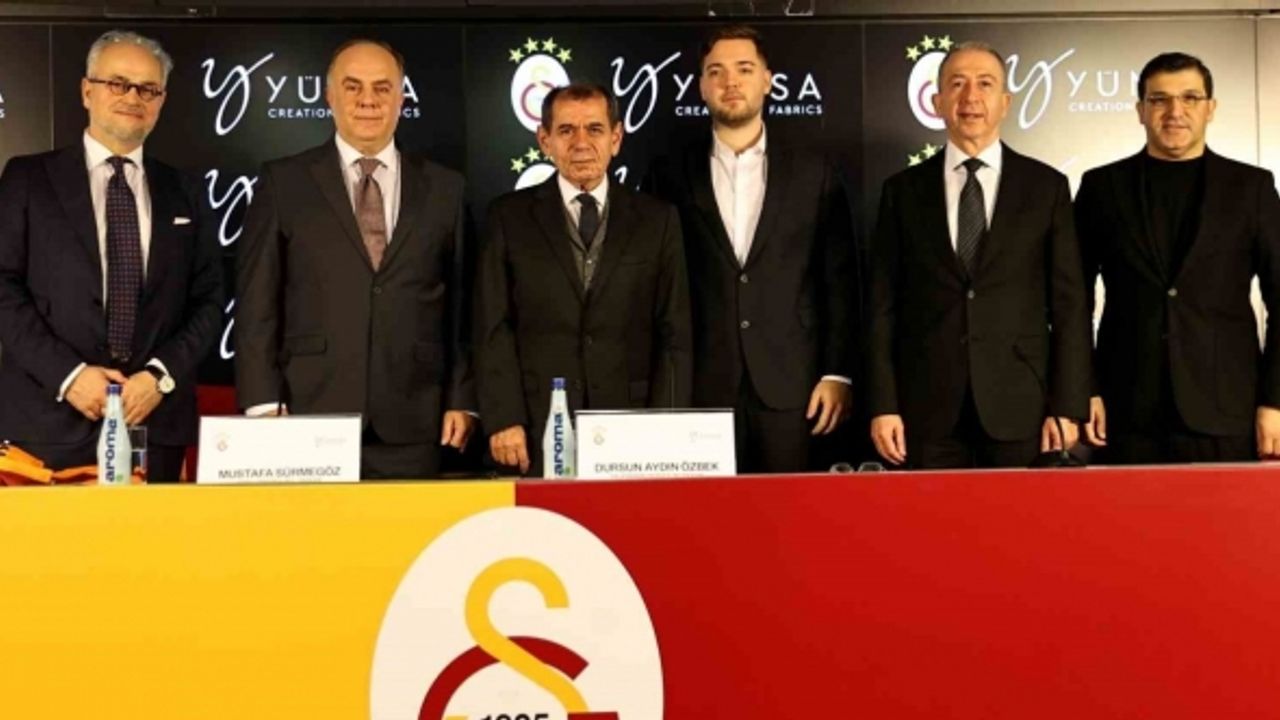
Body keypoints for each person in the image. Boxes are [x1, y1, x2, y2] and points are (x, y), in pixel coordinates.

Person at [235, 38, 475, 479]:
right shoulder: (283, 181)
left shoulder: (446, 188)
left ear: (401, 98)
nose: (368, 100)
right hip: (306, 414)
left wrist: (461, 397)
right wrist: (262, 401)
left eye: (383, 88)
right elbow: (256, 303)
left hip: (415, 418)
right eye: (353, 87)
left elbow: (462, 307)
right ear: (329, 96)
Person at [0, 30, 223, 482]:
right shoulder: (27, 179)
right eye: (117, 83)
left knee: (154, 534)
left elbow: (209, 300)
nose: (132, 97)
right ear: (87, 91)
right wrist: (69, 376)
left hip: (154, 424)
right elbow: (3, 288)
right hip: (45, 424)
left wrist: (158, 378)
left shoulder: (187, 190)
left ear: (161, 101)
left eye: (148, 89)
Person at [643, 25, 858, 473]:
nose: (730, 82)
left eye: (744, 69)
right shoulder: (668, 174)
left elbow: (838, 280)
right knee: (704, 515)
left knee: (788, 513)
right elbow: (653, 288)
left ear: (767, 80)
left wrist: (837, 372)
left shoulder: (814, 172)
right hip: (699, 389)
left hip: (793, 388)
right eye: (716, 72)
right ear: (701, 86)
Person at [867, 41, 1091, 469]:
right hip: (925, 410)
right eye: (957, 84)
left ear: (1005, 102)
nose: (970, 97)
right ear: (937, 102)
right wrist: (883, 405)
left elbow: (1070, 304)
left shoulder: (1046, 187)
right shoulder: (901, 191)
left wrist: (1067, 405)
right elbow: (882, 306)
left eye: (985, 84)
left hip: (1021, 405)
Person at [475, 82, 692, 476]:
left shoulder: (658, 220)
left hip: (633, 427)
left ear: (616, 138)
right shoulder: (507, 217)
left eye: (594, 129)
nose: (580, 143)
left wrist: (666, 426)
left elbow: (674, 332)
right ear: (544, 140)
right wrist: (504, 417)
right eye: (566, 130)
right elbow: (493, 326)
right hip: (537, 427)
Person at [1076, 52, 1280, 463]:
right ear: (1140, 110)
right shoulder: (1101, 187)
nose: (1175, 112)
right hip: (1123, 409)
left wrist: (1274, 401)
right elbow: (1071, 301)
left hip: (1227, 409)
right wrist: (1085, 390)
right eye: (1159, 99)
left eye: (1190, 98)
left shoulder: (1252, 188)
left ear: (1210, 108)